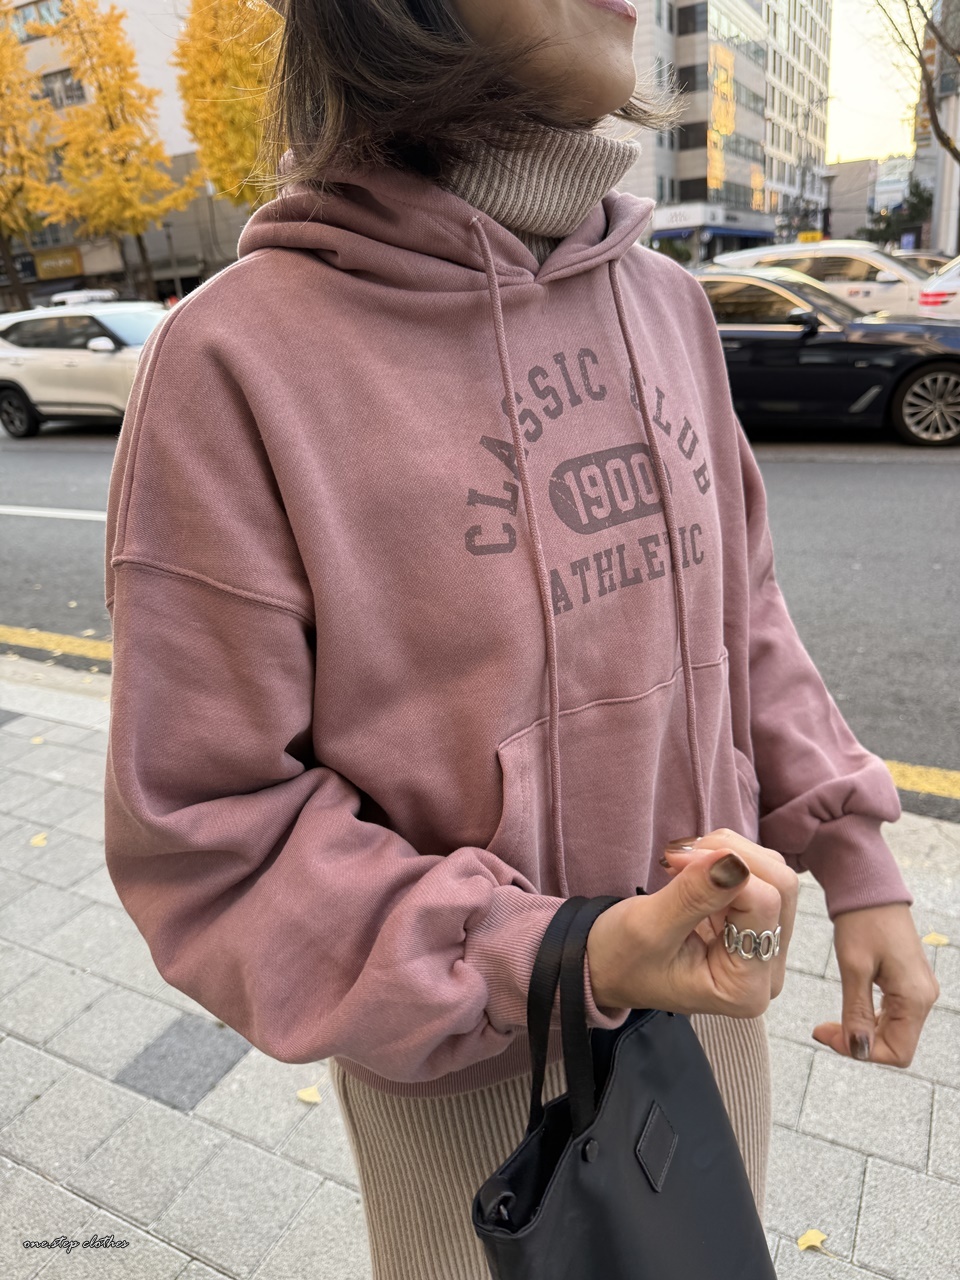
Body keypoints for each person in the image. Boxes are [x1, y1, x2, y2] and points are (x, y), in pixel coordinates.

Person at [102, 1, 940, 1276]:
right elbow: (211, 832)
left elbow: (745, 614)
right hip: (466, 1076)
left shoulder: (668, 304)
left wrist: (854, 851)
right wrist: (557, 951)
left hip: (714, 1013)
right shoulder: (233, 360)